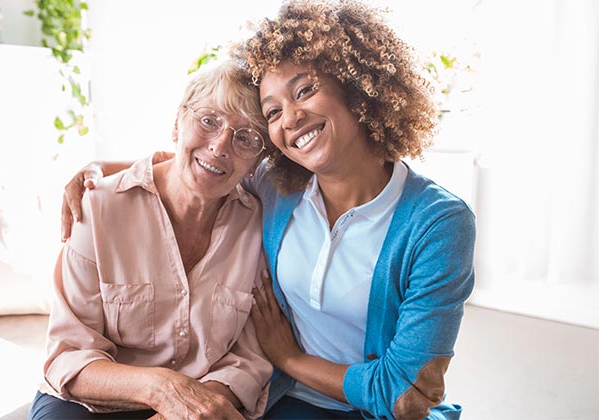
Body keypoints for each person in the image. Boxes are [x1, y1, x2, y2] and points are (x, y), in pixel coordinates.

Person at [61, 1, 476, 419]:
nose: (291, 118)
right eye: (273, 111)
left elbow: (406, 394)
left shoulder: (438, 224)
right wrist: (99, 170)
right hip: (281, 400)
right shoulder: (278, 187)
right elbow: (200, 161)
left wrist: (289, 358)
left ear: (356, 87)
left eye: (305, 90)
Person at [28, 59, 273, 420]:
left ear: (257, 161)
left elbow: (248, 358)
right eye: (208, 120)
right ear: (177, 124)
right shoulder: (96, 208)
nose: (221, 146)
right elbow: (69, 354)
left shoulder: (256, 225)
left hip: (200, 400)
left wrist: (193, 405)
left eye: (246, 138)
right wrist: (163, 390)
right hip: (93, 399)